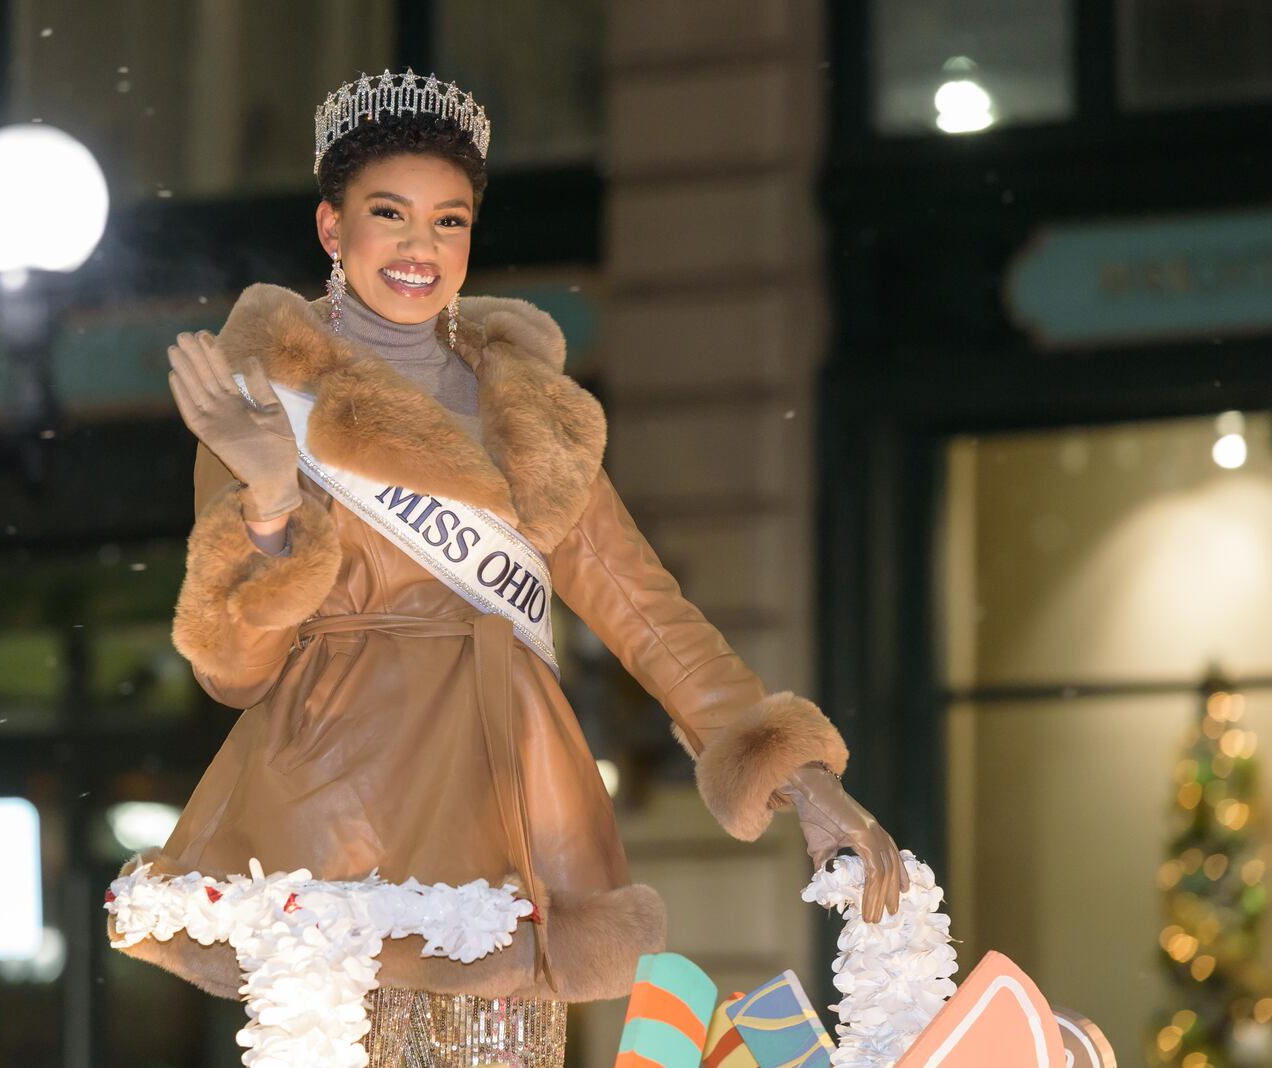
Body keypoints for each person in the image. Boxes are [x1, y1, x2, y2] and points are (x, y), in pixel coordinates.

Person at [114, 69, 907, 1067]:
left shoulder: (530, 413)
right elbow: (231, 669)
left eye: (448, 221)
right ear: (332, 228)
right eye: (388, 214)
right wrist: (271, 502)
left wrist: (798, 779)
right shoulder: (266, 403)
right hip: (336, 797)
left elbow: (645, 610)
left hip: (511, 795)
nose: (419, 247)